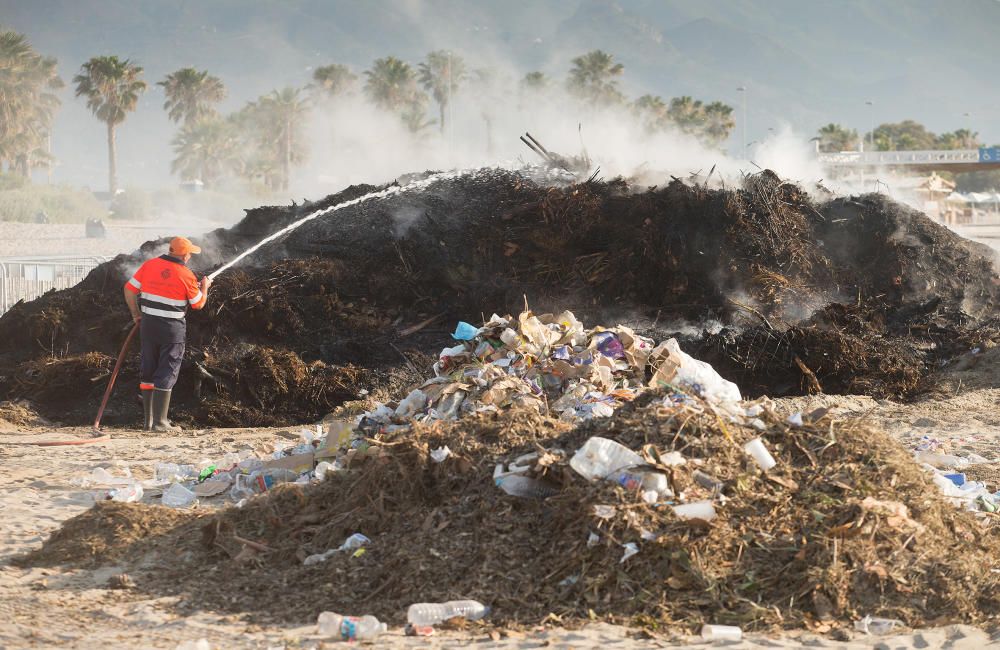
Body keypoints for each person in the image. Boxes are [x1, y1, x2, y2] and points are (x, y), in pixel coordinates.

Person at [123, 236, 211, 432]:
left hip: (148, 326)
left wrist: (136, 315)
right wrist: (204, 288)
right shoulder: (186, 275)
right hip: (171, 330)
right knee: (167, 370)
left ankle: (148, 422)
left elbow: (129, 290)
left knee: (148, 369)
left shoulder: (150, 265)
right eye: (190, 253)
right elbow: (197, 304)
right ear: (185, 255)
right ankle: (161, 423)